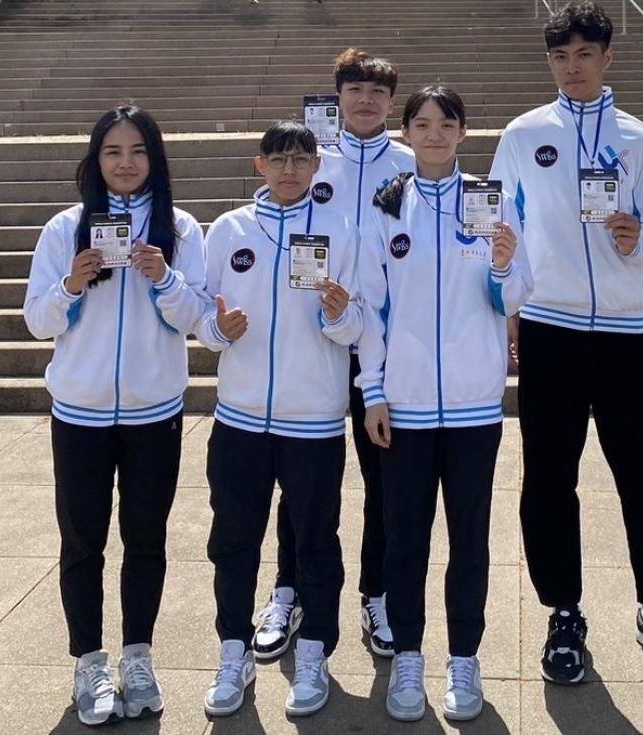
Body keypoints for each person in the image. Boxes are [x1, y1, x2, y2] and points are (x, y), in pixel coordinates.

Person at [489, 0, 643, 684]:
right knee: (550, 476)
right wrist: (510, 304)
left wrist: (637, 237)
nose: (572, 67)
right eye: (560, 56)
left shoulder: (640, 140)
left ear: (607, 57)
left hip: (623, 331)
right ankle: (563, 610)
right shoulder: (524, 134)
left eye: (585, 54)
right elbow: (500, 225)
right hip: (549, 328)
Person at [24, 105, 209, 727]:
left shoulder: (179, 228)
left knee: (146, 537)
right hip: (80, 412)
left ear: (155, 158)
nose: (126, 163)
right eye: (112, 152)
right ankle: (89, 661)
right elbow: (37, 320)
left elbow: (197, 318)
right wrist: (71, 286)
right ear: (94, 160)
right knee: (82, 540)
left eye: (137, 151)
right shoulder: (65, 228)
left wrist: (165, 279)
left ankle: (138, 656)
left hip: (154, 411)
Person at [358, 86, 533, 722]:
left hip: (472, 406)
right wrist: (373, 390)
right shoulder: (387, 204)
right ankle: (408, 655)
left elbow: (513, 296)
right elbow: (371, 306)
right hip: (402, 405)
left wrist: (504, 266)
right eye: (422, 124)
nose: (434, 134)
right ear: (405, 133)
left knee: (469, 538)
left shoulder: (491, 200)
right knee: (404, 538)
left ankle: (464, 657)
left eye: (446, 124)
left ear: (463, 132)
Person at [198, 120, 361, 719]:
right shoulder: (230, 229)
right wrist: (218, 331)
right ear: (259, 165)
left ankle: (314, 651)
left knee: (316, 540)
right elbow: (201, 315)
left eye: (301, 159)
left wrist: (339, 316)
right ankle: (233, 651)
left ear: (318, 166)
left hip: (313, 419)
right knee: (233, 540)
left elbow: (363, 322)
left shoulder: (341, 229)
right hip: (240, 418)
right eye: (279, 159)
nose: (290, 170)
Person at [255, 47, 413, 662]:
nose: (366, 101)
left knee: (384, 482)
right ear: (338, 97)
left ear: (392, 102)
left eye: (377, 92)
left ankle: (378, 593)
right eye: (355, 90)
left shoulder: (410, 164)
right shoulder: (312, 159)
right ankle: (289, 589)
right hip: (316, 340)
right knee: (301, 480)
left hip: (386, 346)